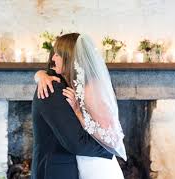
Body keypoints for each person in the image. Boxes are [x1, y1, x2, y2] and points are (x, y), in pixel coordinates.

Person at [34, 33, 127, 179]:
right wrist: (40, 74)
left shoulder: (91, 88)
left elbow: (112, 137)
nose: (52, 58)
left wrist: (78, 112)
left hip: (98, 165)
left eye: (57, 54)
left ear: (69, 57)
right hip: (83, 163)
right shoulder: (68, 85)